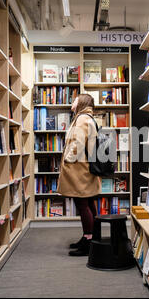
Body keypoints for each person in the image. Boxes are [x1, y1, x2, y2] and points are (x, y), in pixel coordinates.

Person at [57, 94, 101, 256]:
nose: (72, 101)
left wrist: (69, 158)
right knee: (88, 203)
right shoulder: (86, 117)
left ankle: (88, 242)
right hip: (84, 168)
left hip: (79, 169)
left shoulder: (82, 118)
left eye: (75, 99)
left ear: (82, 102)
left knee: (83, 205)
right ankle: (89, 238)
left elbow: (79, 142)